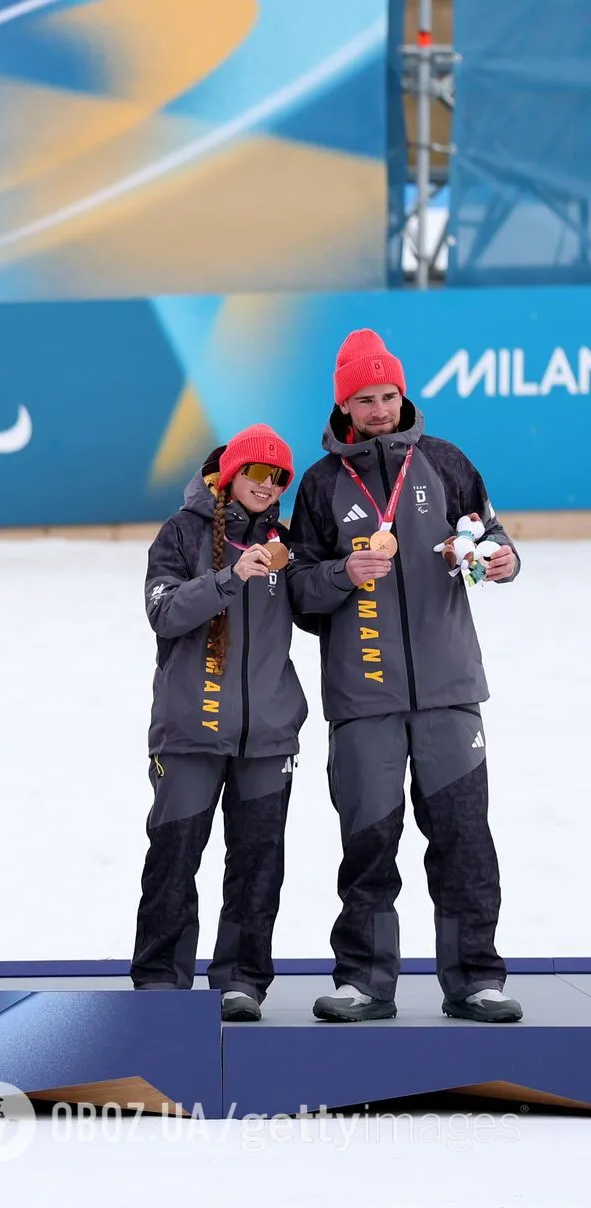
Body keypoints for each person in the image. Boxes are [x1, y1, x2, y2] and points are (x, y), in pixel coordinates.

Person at [287, 329, 522, 1024]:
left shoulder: (446, 464)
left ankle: (476, 980)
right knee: (368, 844)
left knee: (463, 838)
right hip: (364, 700)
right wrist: (341, 574)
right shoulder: (323, 484)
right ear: (345, 405)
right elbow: (297, 591)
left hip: (450, 692)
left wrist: (502, 559)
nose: (382, 409)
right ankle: (364, 980)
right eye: (367, 399)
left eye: (390, 395)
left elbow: (491, 536)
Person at [131, 425, 307, 1022]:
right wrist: (231, 578)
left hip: (268, 735)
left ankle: (241, 980)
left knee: (259, 863)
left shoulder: (290, 539)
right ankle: (160, 980)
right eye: (257, 472)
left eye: (280, 475)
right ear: (229, 473)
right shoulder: (180, 532)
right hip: (190, 731)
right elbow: (163, 612)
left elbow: (316, 601)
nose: (268, 485)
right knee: (175, 857)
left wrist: (348, 572)